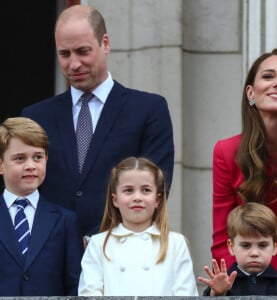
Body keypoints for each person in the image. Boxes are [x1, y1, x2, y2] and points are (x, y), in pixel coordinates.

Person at [21, 5, 174, 240]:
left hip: (121, 254)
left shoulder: (149, 110)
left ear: (105, 44)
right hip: (51, 258)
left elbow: (155, 187)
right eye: (65, 54)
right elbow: (22, 192)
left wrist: (100, 241)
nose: (73, 64)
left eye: (83, 51)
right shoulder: (35, 117)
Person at [211, 48, 277, 274]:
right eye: (268, 76)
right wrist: (241, 286)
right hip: (248, 280)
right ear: (250, 93)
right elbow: (223, 239)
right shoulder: (226, 151)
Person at [78, 156, 198, 296]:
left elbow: (185, 294)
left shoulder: (176, 244)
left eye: (146, 190)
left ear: (157, 199)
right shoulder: (98, 244)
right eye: (128, 190)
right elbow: (89, 293)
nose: (137, 197)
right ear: (115, 200)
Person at [0, 117, 83, 296]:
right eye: (20, 159)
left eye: (37, 157)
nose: (31, 166)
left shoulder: (65, 220)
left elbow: (74, 284)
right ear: (1, 164)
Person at [198, 202, 277, 296]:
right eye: (246, 245)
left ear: (275, 246)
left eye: (263, 245)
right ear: (231, 246)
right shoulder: (223, 282)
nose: (254, 253)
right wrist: (217, 294)